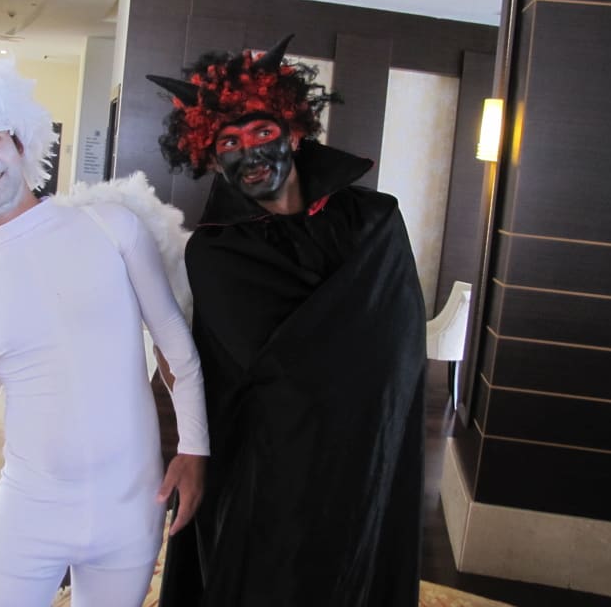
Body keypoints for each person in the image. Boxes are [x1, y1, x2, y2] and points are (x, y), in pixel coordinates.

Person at [0, 58, 209, 607]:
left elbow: (178, 348)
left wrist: (195, 449)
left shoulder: (113, 227)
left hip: (131, 512)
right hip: (28, 516)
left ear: (20, 140)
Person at [147, 35, 427, 606]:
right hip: (268, 464)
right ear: (212, 158)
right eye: (229, 142)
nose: (249, 152)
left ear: (294, 133)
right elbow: (268, 364)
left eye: (261, 132)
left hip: (364, 449)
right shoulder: (216, 252)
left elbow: (398, 347)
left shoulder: (376, 220)